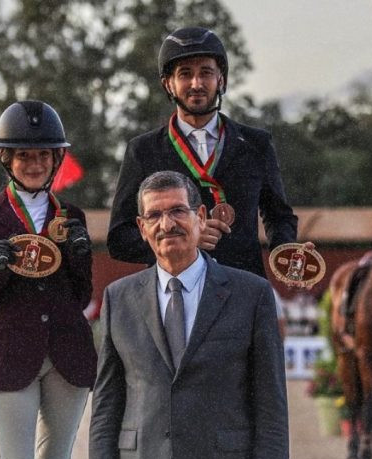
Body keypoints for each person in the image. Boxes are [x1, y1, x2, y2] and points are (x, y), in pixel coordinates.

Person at [89, 170, 288, 459]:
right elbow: (106, 407)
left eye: (177, 211)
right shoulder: (118, 298)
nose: (166, 225)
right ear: (142, 228)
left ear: (201, 217)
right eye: (154, 215)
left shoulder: (252, 295)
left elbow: (271, 409)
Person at [0, 100, 97, 459]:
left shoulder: (72, 217)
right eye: (24, 155)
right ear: (6, 158)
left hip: (68, 352)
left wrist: (77, 254)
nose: (35, 164)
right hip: (13, 352)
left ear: (56, 159)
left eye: (43, 155)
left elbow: (83, 296)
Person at [107, 27, 297, 278]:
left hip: (242, 291)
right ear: (169, 84)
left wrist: (287, 255)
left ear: (221, 79)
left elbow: (279, 216)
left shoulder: (255, 144)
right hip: (173, 295)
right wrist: (182, 242)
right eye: (185, 74)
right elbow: (120, 239)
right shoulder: (143, 151)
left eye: (205, 73)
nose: (196, 84)